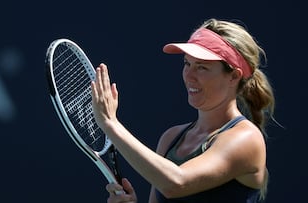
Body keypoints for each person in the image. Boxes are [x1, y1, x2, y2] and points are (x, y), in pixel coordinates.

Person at [91, 18, 275, 203]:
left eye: (202, 67)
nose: (189, 75)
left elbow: (177, 183)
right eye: (187, 64)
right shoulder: (171, 138)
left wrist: (111, 124)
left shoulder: (247, 138)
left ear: (234, 76)